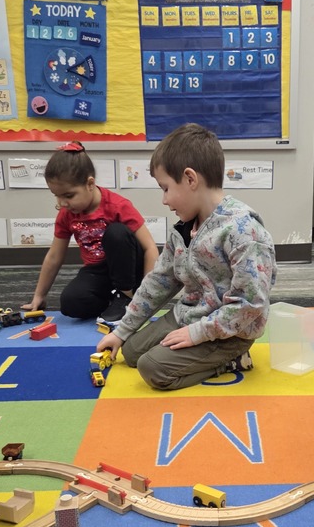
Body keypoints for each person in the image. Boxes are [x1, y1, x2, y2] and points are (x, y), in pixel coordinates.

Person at [96, 123, 277, 391]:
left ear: (190, 179)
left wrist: (198, 333)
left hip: (230, 332)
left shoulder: (243, 231)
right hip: (189, 314)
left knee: (152, 369)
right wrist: (121, 331)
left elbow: (251, 304)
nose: (164, 200)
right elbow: (159, 281)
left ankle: (232, 360)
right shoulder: (184, 228)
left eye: (166, 188)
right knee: (132, 352)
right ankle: (174, 344)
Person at [21, 142, 159, 322]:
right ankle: (115, 300)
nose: (62, 203)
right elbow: (54, 256)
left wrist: (145, 295)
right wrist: (39, 295)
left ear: (90, 184)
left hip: (130, 268)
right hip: (98, 271)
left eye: (69, 196)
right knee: (70, 303)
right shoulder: (66, 214)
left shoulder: (117, 206)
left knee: (116, 232)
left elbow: (150, 248)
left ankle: (127, 295)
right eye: (57, 195)